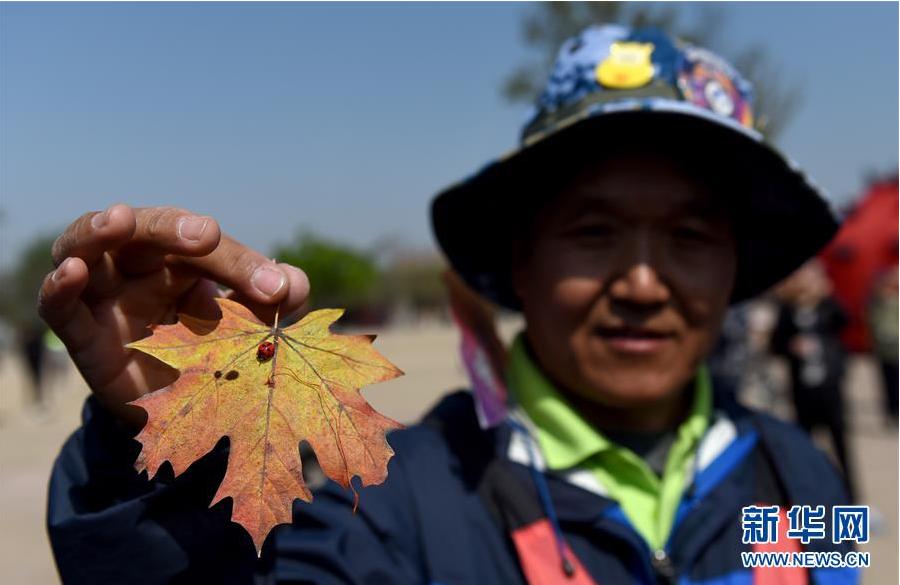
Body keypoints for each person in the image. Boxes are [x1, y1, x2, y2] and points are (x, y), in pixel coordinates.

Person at [42, 26, 858, 584]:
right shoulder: (397, 506)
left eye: (688, 235)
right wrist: (166, 451)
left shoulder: (798, 475)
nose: (642, 284)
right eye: (593, 231)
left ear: (734, 266)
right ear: (519, 261)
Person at [771, 259, 855, 502]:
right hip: (802, 390)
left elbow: (846, 321)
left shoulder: (827, 306)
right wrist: (791, 347)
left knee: (841, 446)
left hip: (829, 386)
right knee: (803, 449)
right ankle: (805, 500)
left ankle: (851, 500)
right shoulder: (788, 311)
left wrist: (826, 294)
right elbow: (775, 345)